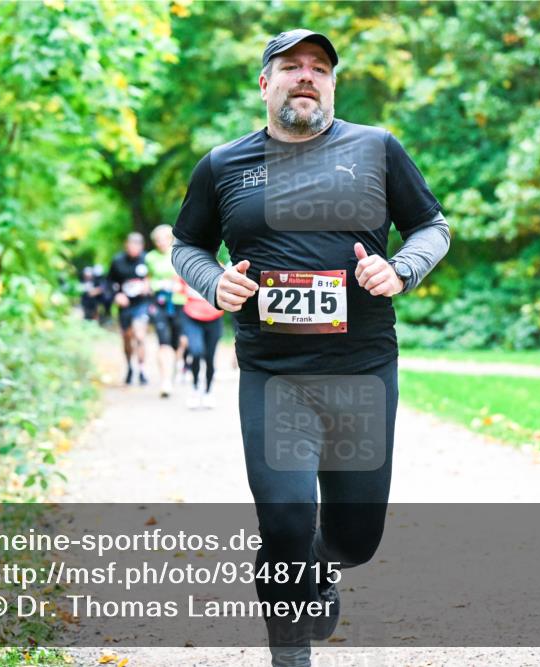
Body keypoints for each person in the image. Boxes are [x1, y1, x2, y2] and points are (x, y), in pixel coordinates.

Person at [172, 29, 450, 666]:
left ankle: (321, 565)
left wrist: (401, 269)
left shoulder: (376, 148)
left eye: (319, 68)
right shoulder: (222, 165)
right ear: (264, 84)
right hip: (274, 374)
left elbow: (431, 226)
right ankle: (289, 650)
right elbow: (187, 245)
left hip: (363, 369)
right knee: (285, 519)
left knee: (356, 539)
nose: (306, 76)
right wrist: (214, 281)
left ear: (332, 84)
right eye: (290, 66)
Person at [146, 224, 189, 398]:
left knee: (180, 342)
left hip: (180, 303)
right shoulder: (150, 258)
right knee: (163, 343)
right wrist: (157, 285)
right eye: (157, 240)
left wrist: (179, 284)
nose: (160, 243)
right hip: (160, 304)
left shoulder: (179, 254)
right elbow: (147, 280)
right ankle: (165, 381)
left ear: (170, 239)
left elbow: (189, 277)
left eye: (164, 239)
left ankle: (176, 365)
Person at [108, 232, 152, 386]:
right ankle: (130, 367)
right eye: (131, 244)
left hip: (141, 304)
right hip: (125, 306)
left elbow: (157, 276)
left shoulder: (147, 260)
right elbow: (108, 283)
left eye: (137, 245)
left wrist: (149, 285)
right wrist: (117, 295)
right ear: (126, 245)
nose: (134, 248)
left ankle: (142, 369)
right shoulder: (117, 261)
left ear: (142, 246)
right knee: (127, 338)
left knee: (140, 336)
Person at [178, 277, 224, 409]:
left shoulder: (218, 267)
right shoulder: (188, 266)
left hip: (214, 318)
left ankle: (208, 391)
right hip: (192, 317)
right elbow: (179, 295)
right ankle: (195, 388)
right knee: (196, 351)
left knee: (209, 357)